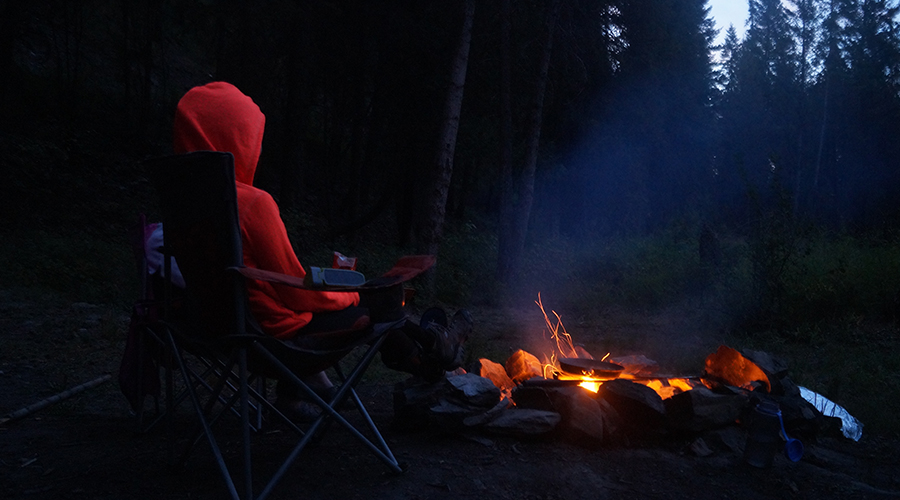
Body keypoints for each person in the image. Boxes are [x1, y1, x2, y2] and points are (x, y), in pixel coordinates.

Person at [171, 81, 471, 418]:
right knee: (380, 297)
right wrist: (351, 295)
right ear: (237, 139)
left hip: (216, 330)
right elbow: (298, 294)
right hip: (275, 340)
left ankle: (429, 352)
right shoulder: (251, 204)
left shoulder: (183, 204)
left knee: (370, 295)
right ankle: (434, 351)